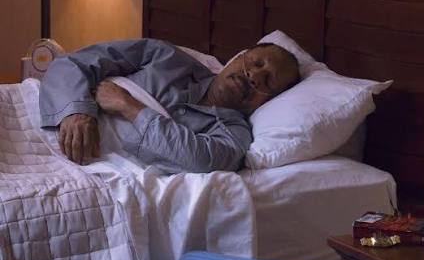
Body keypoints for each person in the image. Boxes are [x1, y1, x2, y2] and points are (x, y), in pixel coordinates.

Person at [40, 38, 300, 173]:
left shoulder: (235, 134)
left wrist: (126, 104)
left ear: (270, 100)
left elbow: (199, 160)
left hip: (92, 162)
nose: (254, 76)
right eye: (256, 63)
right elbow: (72, 63)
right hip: (52, 121)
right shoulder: (164, 56)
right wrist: (75, 111)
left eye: (268, 81)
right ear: (238, 57)